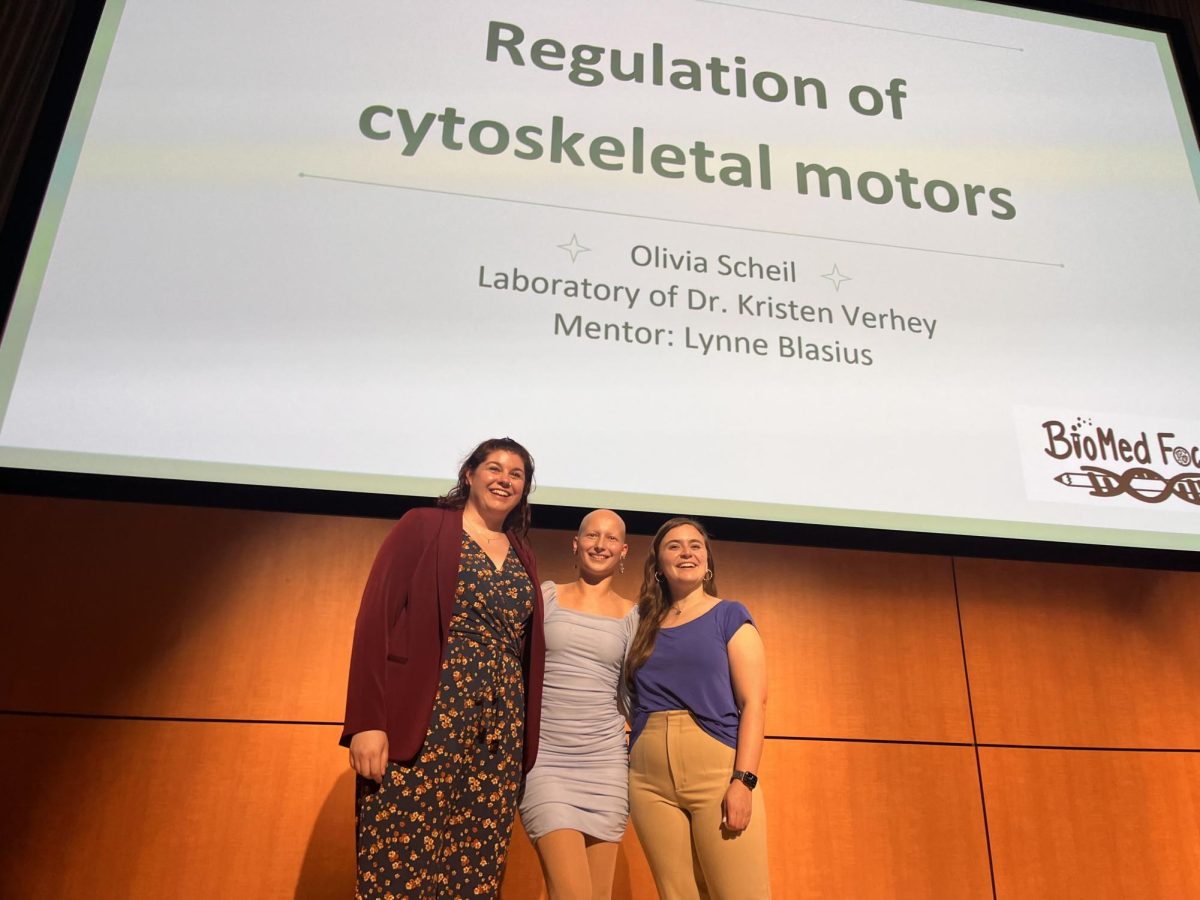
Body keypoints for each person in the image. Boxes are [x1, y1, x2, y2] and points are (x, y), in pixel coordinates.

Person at [340, 437, 545, 899]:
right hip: (428, 715)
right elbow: (375, 621)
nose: (504, 479)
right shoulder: (423, 526)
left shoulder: (521, 554)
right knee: (400, 863)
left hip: (499, 732)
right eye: (494, 468)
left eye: (516, 474)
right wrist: (367, 722)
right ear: (469, 475)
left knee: (475, 870)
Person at [624, 517, 770, 900]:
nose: (686, 552)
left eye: (695, 545)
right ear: (658, 564)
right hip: (647, 777)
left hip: (716, 771)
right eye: (674, 545)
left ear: (708, 563)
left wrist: (744, 780)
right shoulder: (640, 622)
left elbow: (754, 703)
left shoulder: (730, 615)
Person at [518, 509, 637, 900]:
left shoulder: (635, 616)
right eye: (591, 536)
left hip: (605, 767)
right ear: (576, 543)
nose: (600, 545)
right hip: (546, 761)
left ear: (623, 552)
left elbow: (638, 691)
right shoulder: (546, 594)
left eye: (610, 539)